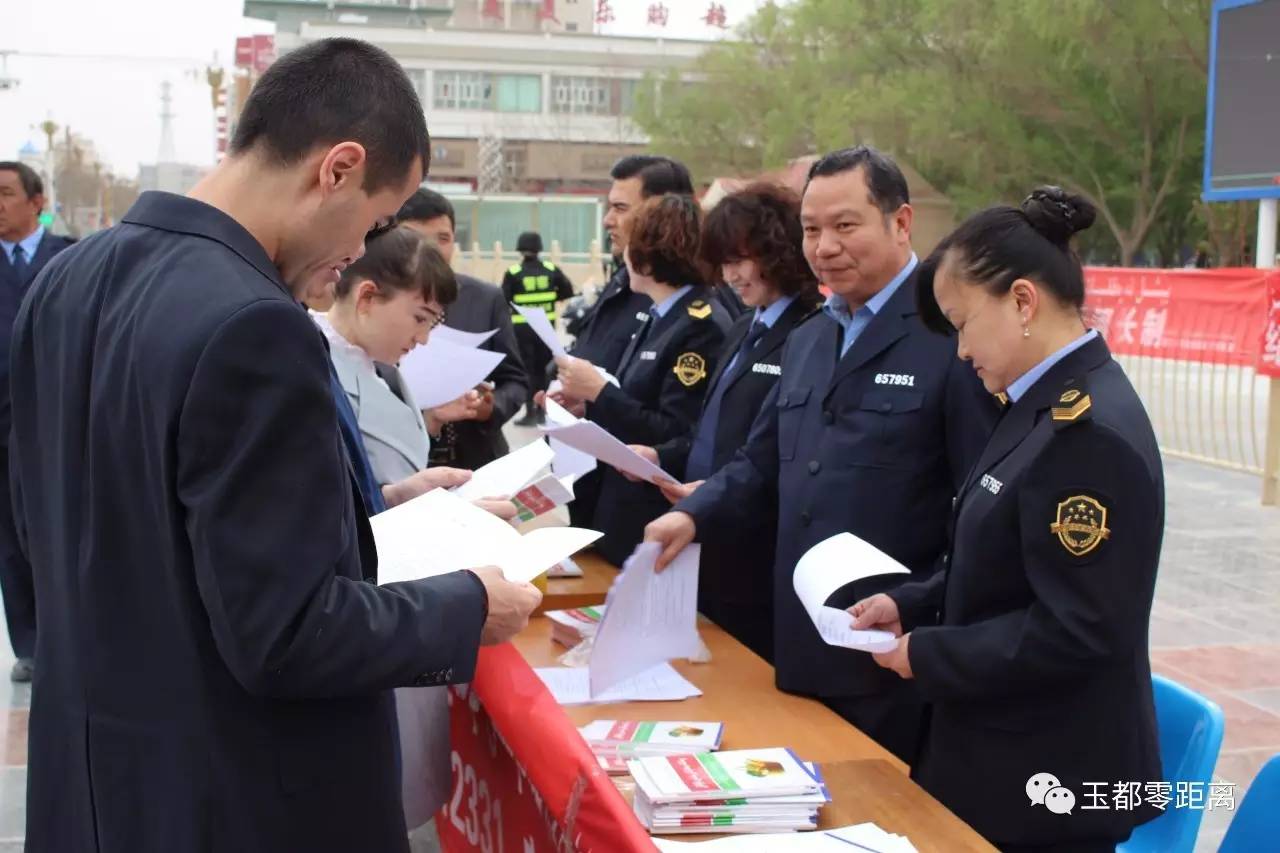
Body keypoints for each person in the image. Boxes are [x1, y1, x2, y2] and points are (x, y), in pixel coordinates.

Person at [8, 38, 541, 853]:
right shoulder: (255, 323)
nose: (358, 253)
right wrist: (468, 603)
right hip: (242, 800)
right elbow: (288, 636)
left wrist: (366, 505)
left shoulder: (67, 281)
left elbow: (93, 532)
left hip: (95, 789)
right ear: (338, 167)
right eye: (374, 219)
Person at [644, 146, 998, 762]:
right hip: (799, 640)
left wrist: (926, 605)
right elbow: (761, 460)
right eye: (812, 230)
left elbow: (981, 508)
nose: (824, 246)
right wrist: (694, 515)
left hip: (889, 650)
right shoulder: (809, 338)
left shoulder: (951, 337)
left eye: (845, 226)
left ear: (901, 223)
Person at [851, 188, 1163, 853]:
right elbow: (1001, 558)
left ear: (1023, 302)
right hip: (994, 751)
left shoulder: (1088, 432)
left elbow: (1075, 629)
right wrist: (908, 603)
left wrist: (929, 654)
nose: (960, 351)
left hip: (1046, 780)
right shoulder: (1032, 401)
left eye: (963, 323)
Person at [630, 183, 821, 661]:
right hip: (707, 532)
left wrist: (710, 495)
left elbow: (772, 451)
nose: (733, 275)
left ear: (777, 253)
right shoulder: (744, 328)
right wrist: (659, 456)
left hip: (753, 545)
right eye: (726, 262)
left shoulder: (807, 331)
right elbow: (707, 429)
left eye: (743, 260)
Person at [557, 194, 731, 565]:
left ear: (649, 254)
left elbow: (675, 430)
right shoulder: (660, 316)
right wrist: (585, 403)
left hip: (653, 515)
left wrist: (600, 392)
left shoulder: (699, 327)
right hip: (619, 510)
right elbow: (637, 402)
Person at [547, 155, 697, 529]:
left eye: (620, 208)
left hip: (646, 512)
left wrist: (598, 393)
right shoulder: (625, 285)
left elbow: (678, 427)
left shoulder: (682, 309)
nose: (608, 220)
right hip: (597, 498)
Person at [0, 161, 75, 683]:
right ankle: (28, 641)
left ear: (36, 200)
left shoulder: (69, 257)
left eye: (5, 194)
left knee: (60, 523)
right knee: (9, 528)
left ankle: (67, 631)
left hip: (56, 414)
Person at [397, 189, 529, 469]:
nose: (431, 249)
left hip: (476, 462)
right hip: (403, 463)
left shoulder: (485, 298)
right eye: (416, 238)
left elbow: (515, 381)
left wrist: (489, 408)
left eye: (443, 238)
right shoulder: (377, 301)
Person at [501, 230, 574, 426]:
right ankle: (543, 410)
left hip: (522, 329)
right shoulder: (551, 269)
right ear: (539, 249)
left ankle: (530, 412)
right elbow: (568, 290)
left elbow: (504, 300)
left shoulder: (514, 273)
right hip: (546, 328)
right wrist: (549, 300)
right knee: (543, 370)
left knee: (526, 370)